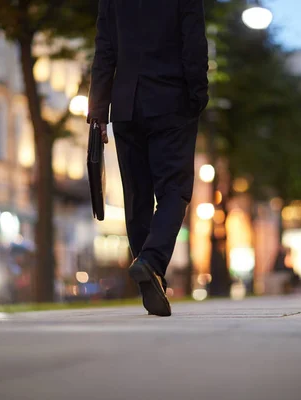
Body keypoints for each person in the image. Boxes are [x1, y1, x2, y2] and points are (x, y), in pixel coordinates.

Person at [88, 0, 209, 316]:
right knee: (174, 190)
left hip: (126, 104)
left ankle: (148, 275)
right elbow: (194, 45)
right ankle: (150, 262)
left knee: (136, 195)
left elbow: (105, 52)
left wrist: (98, 111)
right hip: (172, 101)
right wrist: (197, 97)